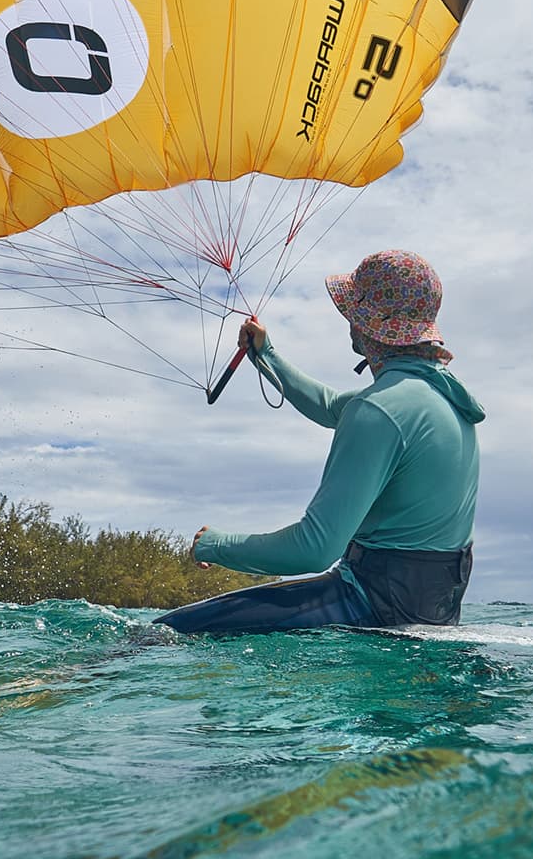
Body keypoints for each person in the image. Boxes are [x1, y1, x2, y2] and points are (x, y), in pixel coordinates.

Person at [158, 250, 484, 636]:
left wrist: (216, 545)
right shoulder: (441, 397)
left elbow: (314, 549)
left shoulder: (378, 411)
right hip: (431, 610)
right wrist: (267, 355)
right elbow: (332, 406)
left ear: (364, 321)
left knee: (168, 631)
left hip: (371, 604)